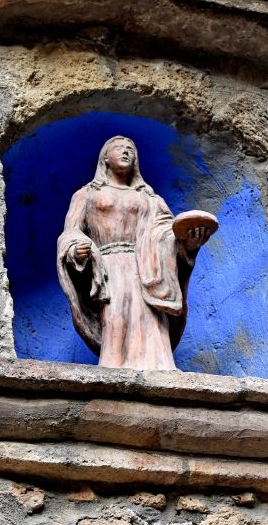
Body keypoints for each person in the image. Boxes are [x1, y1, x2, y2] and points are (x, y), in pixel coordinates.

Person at [56, 136, 213, 370]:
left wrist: (188, 243)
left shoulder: (150, 199)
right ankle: (112, 366)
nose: (127, 152)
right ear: (105, 158)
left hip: (147, 265)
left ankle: (160, 366)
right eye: (119, 148)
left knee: (151, 318)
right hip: (109, 265)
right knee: (116, 315)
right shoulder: (86, 194)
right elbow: (71, 231)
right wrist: (75, 249)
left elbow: (168, 235)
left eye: (131, 149)